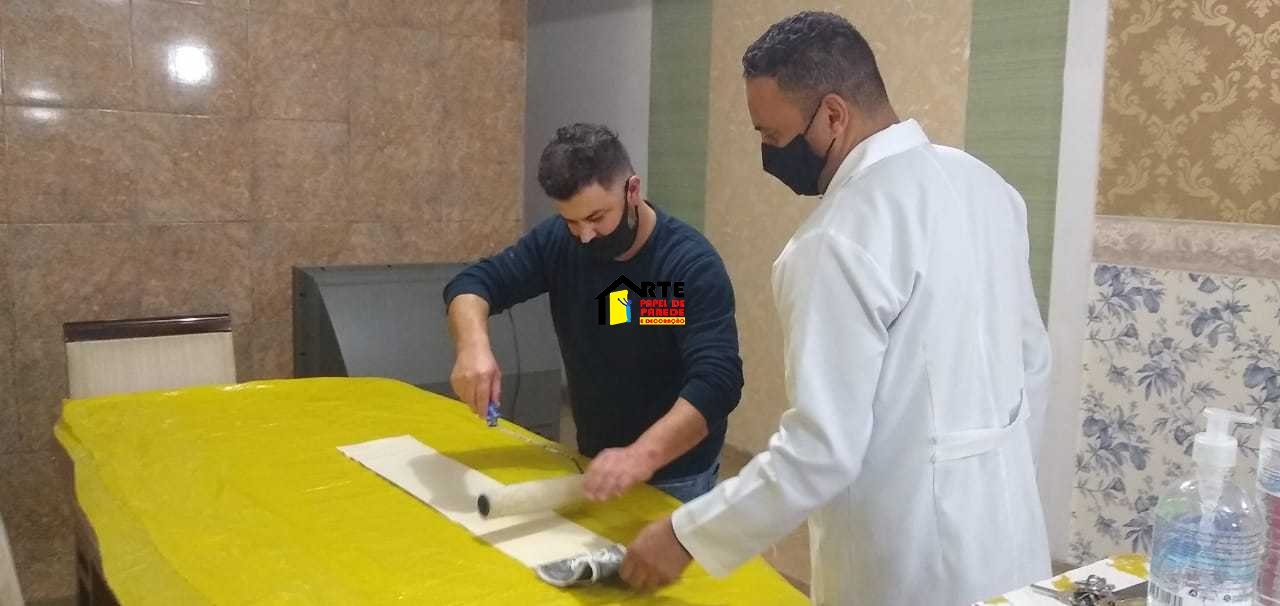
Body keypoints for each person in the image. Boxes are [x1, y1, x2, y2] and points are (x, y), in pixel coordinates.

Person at [620, 12, 1051, 604]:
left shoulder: (835, 239)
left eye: (771, 135)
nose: (767, 153)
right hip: (1010, 533)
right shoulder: (987, 187)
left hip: (908, 564)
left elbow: (819, 449)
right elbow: (1034, 367)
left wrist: (686, 534)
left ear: (832, 115)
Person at [443, 123, 743, 503]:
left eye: (598, 217)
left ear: (632, 190)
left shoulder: (687, 265)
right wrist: (472, 347)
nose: (585, 235)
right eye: (572, 221)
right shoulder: (559, 242)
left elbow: (718, 382)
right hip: (594, 459)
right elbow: (474, 283)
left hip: (675, 474)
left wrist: (640, 456)